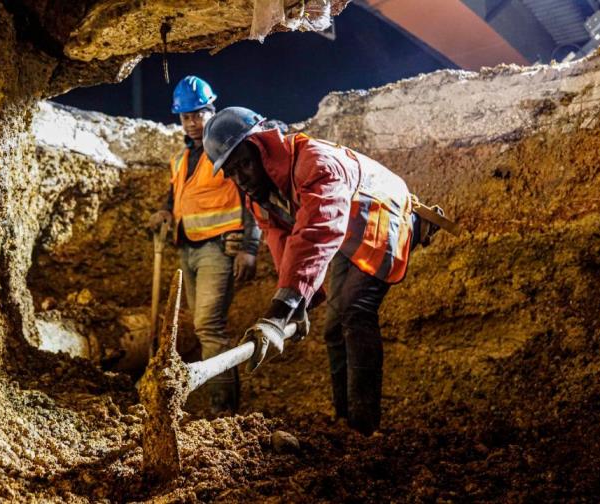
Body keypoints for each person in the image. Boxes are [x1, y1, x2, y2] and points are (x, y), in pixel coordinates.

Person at [202, 107, 443, 434]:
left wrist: (278, 313)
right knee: (333, 327)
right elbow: (282, 240)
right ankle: (344, 420)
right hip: (347, 232)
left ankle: (363, 429)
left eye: (244, 163)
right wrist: (302, 303)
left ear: (263, 148)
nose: (241, 178)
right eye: (231, 171)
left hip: (382, 217)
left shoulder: (315, 164)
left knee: (354, 312)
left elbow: (316, 234)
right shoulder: (258, 195)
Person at [148, 78, 262, 413]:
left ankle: (223, 409)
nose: (192, 122)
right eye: (185, 117)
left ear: (212, 111)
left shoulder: (227, 150)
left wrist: (250, 248)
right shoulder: (181, 159)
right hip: (188, 250)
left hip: (218, 249)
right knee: (203, 327)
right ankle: (218, 404)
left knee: (209, 326)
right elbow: (176, 198)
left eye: (199, 114)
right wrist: (164, 212)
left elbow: (251, 198)